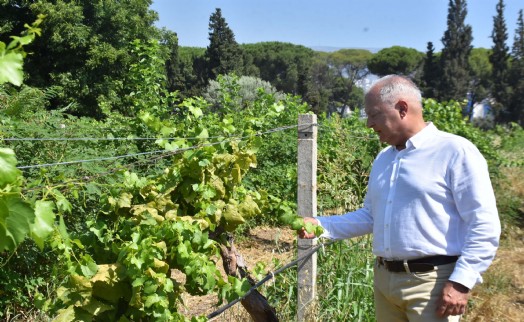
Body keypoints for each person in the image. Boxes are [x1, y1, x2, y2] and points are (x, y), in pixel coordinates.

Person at [299, 75, 500, 322]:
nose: (369, 124)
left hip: (432, 284)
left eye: (374, 115)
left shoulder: (455, 151)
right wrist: (321, 226)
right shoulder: (384, 158)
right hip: (385, 281)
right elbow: (371, 216)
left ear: (402, 108)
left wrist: (461, 281)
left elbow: (484, 223)